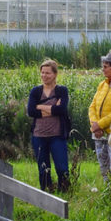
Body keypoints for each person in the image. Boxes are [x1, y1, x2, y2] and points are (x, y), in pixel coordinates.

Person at [27, 59, 71, 193]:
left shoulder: (61, 91)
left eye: (48, 73)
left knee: (62, 167)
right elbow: (31, 111)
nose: (44, 76)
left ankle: (65, 193)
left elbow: (61, 110)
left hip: (57, 135)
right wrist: (52, 109)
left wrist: (40, 106)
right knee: (43, 167)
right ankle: (46, 192)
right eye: (42, 73)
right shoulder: (35, 91)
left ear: (55, 74)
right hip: (39, 135)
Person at [88, 53, 111, 182]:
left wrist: (100, 124)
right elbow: (92, 106)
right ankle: (107, 193)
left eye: (106, 66)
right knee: (103, 167)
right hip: (99, 133)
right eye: (102, 66)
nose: (103, 69)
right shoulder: (102, 84)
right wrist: (94, 125)